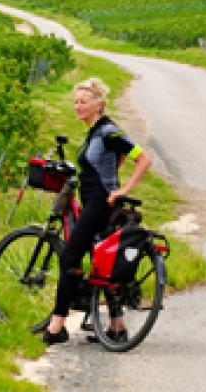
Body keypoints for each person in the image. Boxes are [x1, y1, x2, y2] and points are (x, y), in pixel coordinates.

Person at [43, 77, 152, 344]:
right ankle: (117, 327)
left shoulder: (108, 131)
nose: (78, 106)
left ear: (99, 104)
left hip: (100, 203)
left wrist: (122, 189)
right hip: (96, 201)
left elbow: (143, 159)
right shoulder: (95, 131)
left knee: (69, 257)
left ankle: (56, 327)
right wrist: (112, 170)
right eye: (76, 102)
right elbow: (115, 156)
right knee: (103, 265)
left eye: (84, 102)